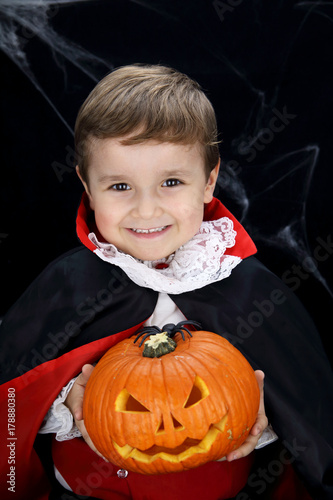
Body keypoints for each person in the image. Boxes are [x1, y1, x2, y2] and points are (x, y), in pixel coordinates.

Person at [0, 64, 332, 500]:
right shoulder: (67, 283)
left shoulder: (249, 288)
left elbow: (306, 413)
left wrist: (264, 418)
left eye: (171, 182)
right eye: (120, 186)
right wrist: (62, 402)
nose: (146, 210)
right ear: (86, 184)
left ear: (209, 180)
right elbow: (12, 401)